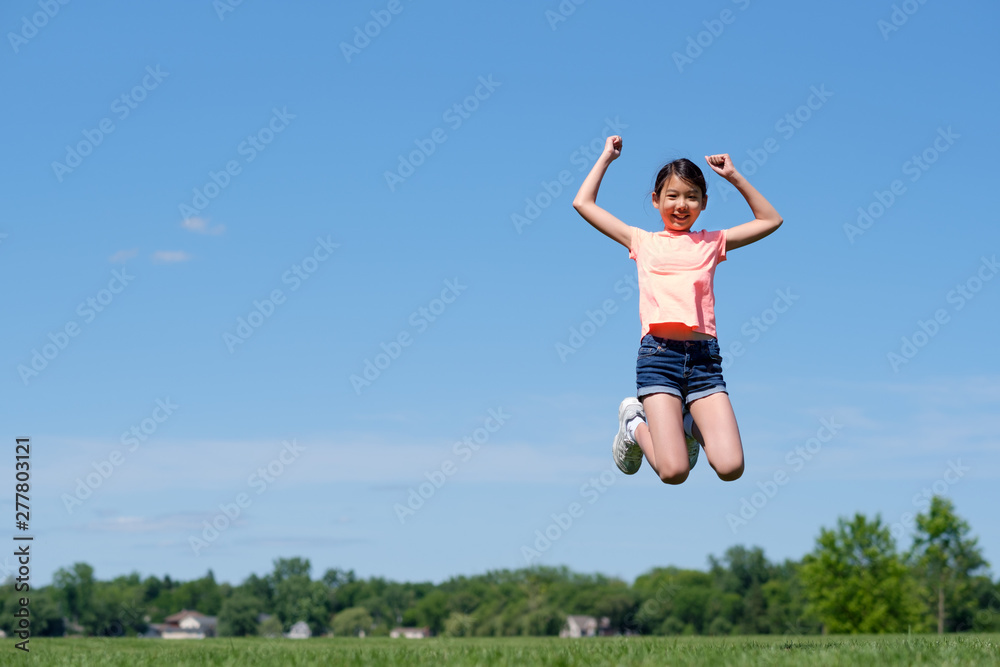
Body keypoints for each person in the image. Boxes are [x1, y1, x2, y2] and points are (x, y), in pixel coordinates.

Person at [572, 135, 783, 484]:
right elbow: (583, 203)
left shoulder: (712, 242)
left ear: (703, 203)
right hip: (659, 357)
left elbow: (770, 220)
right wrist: (606, 158)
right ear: (656, 201)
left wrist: (734, 176)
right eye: (672, 196)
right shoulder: (642, 241)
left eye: (691, 197)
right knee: (674, 472)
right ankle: (634, 425)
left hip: (703, 361)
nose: (681, 204)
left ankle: (686, 421)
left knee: (731, 467)